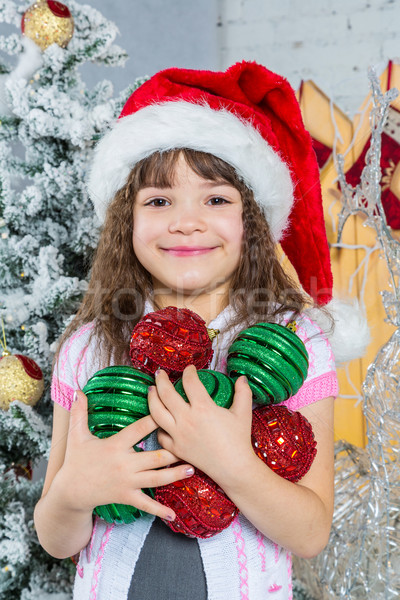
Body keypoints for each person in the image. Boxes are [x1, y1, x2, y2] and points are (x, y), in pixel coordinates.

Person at [34, 61, 368, 600]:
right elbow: (56, 537)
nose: (186, 221)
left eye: (215, 199)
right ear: (127, 221)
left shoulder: (295, 343)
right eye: (159, 200)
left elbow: (309, 533)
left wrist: (231, 462)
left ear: (252, 222)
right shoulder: (89, 348)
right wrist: (75, 492)